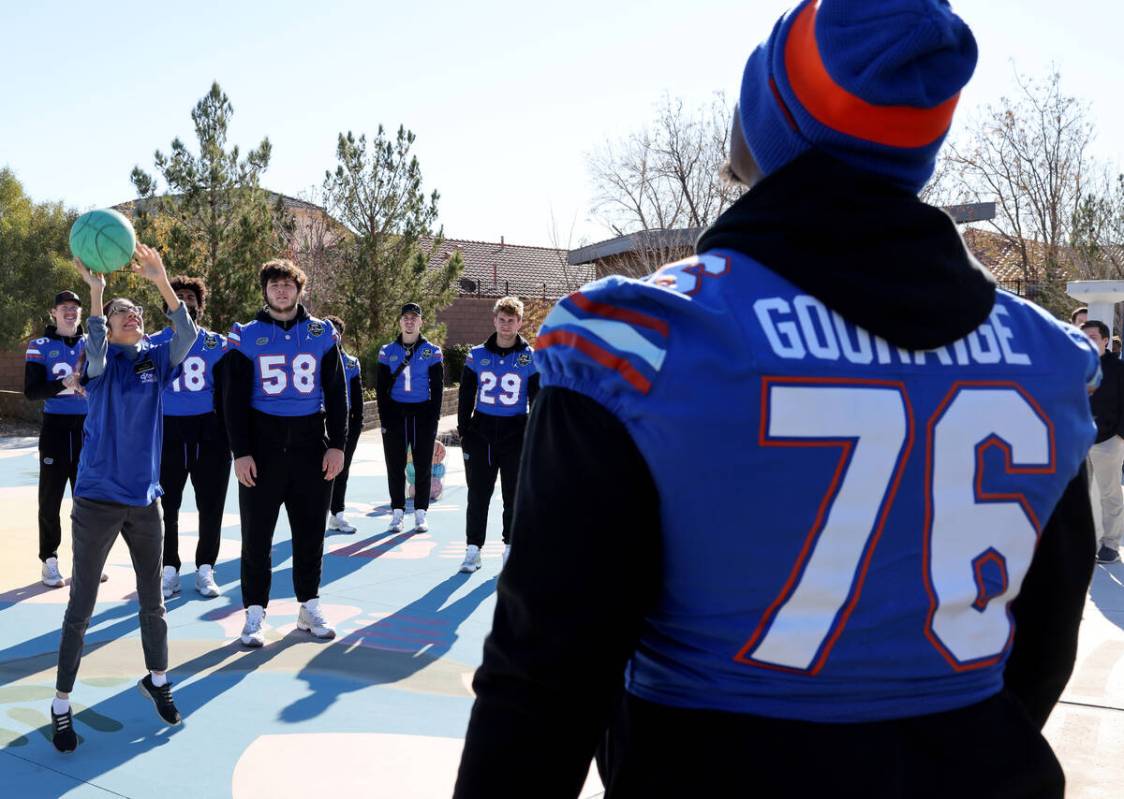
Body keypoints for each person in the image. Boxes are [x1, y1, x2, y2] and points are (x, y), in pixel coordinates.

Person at [455, 2, 1100, 797]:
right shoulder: (1046, 357)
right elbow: (1043, 646)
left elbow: (543, 682)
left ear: (772, 119)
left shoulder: (647, 340)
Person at [52, 245, 197, 753]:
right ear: (108, 326)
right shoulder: (99, 360)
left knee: (153, 602)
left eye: (135, 313)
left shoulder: (156, 357)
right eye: (121, 313)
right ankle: (62, 703)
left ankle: (157, 679)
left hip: (144, 501)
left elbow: (188, 334)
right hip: (96, 500)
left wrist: (161, 281)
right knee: (82, 606)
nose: (130, 317)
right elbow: (91, 350)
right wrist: (96, 294)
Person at [223, 260, 347, 647]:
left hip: (311, 444)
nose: (281, 291)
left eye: (287, 285)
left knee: (310, 533)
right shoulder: (245, 334)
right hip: (263, 445)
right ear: (265, 291)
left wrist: (339, 445)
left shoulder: (321, 332)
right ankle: (255, 612)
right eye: (274, 285)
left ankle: (308, 604)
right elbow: (232, 399)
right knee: (257, 536)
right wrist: (240, 452)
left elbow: (338, 393)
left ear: (299, 289)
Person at [148, 276, 232, 599]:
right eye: (177, 296)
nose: (184, 301)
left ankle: (205, 568)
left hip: (209, 431)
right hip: (168, 429)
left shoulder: (217, 343)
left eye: (190, 297)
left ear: (200, 304)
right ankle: (169, 568)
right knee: (165, 506)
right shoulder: (154, 342)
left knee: (210, 505)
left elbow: (228, 394)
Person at [456, 296, 539, 572]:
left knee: (513, 495)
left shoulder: (530, 356)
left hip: (515, 431)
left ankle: (510, 548)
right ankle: (473, 549)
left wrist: (533, 433)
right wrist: (464, 430)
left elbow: (536, 398)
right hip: (482, 432)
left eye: (511, 320)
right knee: (478, 494)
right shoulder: (477, 354)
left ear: (519, 322)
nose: (505, 325)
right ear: (494, 320)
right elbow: (465, 395)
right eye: (501, 320)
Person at [24, 290, 97, 588]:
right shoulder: (39, 346)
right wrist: (64, 383)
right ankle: (49, 560)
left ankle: (88, 561)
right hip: (55, 428)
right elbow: (32, 392)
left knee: (89, 499)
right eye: (64, 308)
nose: (71, 312)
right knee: (51, 497)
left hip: (87, 427)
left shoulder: (91, 344)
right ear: (53, 312)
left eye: (75, 308)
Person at [375, 303, 444, 533]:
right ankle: (397, 512)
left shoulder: (431, 350)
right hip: (396, 414)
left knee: (423, 464)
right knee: (394, 465)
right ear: (400, 321)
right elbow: (381, 388)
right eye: (406, 317)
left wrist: (433, 419)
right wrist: (385, 419)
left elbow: (438, 388)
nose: (410, 321)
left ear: (421, 322)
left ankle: (420, 513)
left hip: (422, 413)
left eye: (414, 318)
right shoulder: (387, 350)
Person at [1081, 320, 1124, 564]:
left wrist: (1120, 435)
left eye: (1093, 337)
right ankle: (1082, 543)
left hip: (1108, 441)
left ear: (1106, 340)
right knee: (1076, 496)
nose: (1087, 340)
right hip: (1076, 442)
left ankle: (1110, 545)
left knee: (1109, 494)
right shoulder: (1074, 366)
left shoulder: (1119, 369)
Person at [324, 315, 364, 534]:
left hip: (343, 425)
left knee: (341, 470)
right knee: (314, 473)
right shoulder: (313, 359)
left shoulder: (350, 362)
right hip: (317, 422)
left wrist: (356, 426)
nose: (333, 334)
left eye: (337, 330)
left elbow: (357, 401)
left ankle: (337, 514)